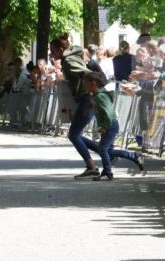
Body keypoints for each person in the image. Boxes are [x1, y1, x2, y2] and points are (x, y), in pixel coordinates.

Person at [79, 71, 145, 181]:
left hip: (111, 125)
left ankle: (107, 173)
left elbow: (108, 113)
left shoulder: (100, 97)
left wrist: (105, 126)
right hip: (110, 125)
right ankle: (133, 156)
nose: (84, 86)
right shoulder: (97, 95)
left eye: (85, 83)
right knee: (107, 151)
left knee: (102, 149)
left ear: (93, 83)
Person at [51, 34, 100, 178]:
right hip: (85, 97)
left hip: (87, 98)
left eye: (53, 51)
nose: (51, 54)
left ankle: (92, 165)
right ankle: (107, 153)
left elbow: (87, 74)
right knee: (75, 134)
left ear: (60, 49)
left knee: (73, 134)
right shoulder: (70, 57)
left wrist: (93, 94)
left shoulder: (68, 60)